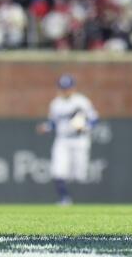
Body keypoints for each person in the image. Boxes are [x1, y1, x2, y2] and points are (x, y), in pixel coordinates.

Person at [35, 73, 98, 205]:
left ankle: (83, 201)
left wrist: (85, 127)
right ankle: (64, 199)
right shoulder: (56, 104)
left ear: (73, 87)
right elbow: (53, 122)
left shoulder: (81, 101)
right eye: (63, 88)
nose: (65, 90)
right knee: (58, 170)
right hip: (62, 139)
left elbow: (94, 119)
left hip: (80, 140)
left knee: (80, 174)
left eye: (68, 87)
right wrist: (45, 127)